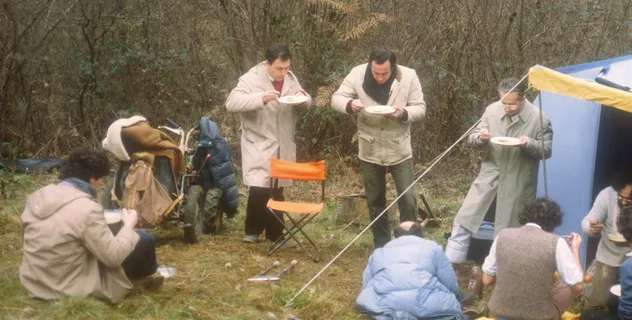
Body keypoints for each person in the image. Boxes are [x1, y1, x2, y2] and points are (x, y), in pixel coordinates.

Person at [19, 149, 160, 303]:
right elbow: (113, 257)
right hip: (69, 290)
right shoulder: (87, 208)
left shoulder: (36, 198)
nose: (101, 183)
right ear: (92, 177)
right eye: (101, 179)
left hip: (36, 285)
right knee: (145, 239)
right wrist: (128, 225)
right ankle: (144, 280)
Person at [445, 77, 553, 268]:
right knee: (464, 219)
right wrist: (481, 138)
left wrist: (528, 143)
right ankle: (451, 266)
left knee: (508, 232)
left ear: (522, 99)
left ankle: (498, 273)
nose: (506, 107)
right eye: (503, 102)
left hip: (518, 181)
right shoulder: (492, 110)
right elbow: (472, 138)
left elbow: (547, 150)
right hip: (489, 175)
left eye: (512, 104)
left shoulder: (540, 118)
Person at [331, 50, 426, 248]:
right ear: (370, 65)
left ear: (392, 67)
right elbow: (336, 98)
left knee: (408, 200)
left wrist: (403, 112)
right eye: (376, 73)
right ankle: (382, 246)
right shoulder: (357, 73)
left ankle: (410, 247)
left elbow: (420, 107)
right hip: (370, 149)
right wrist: (350, 104)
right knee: (375, 201)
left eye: (384, 73)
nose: (380, 77)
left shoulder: (409, 76)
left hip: (399, 149)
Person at [226, 43, 310, 243]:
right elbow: (231, 103)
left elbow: (306, 102)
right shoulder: (250, 79)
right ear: (267, 64)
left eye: (287, 67)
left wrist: (303, 99)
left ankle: (275, 234)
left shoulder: (291, 78)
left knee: (278, 188)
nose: (283, 72)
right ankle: (252, 232)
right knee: (259, 187)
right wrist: (260, 98)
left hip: (283, 141)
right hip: (258, 140)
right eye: (279, 68)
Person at [482, 198, 584, 320]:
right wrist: (574, 250)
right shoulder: (556, 242)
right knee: (565, 287)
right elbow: (577, 287)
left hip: (498, 315)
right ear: (553, 225)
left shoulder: (502, 235)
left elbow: (487, 279)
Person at [355, 221, 468, 320]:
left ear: (394, 237)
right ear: (421, 235)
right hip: (431, 306)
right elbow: (451, 285)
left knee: (366, 298)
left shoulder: (378, 253)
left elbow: (366, 285)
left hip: (388, 305)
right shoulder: (434, 248)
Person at [581, 167, 632, 307]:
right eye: (621, 197)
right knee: (600, 302)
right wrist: (592, 228)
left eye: (630, 199)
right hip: (609, 257)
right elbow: (586, 222)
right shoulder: (607, 195)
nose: (624, 202)